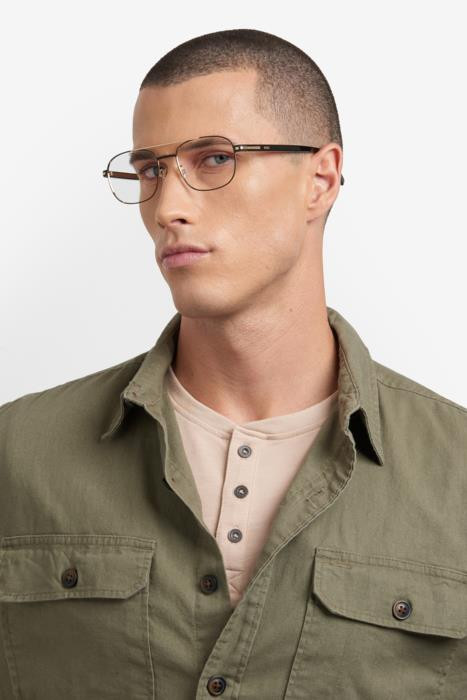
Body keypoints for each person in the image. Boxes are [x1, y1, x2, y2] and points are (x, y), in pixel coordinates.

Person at [0, 28, 466, 700]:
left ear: (320, 179)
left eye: (214, 159)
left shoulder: (455, 473)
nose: (168, 208)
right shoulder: (17, 454)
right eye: (150, 170)